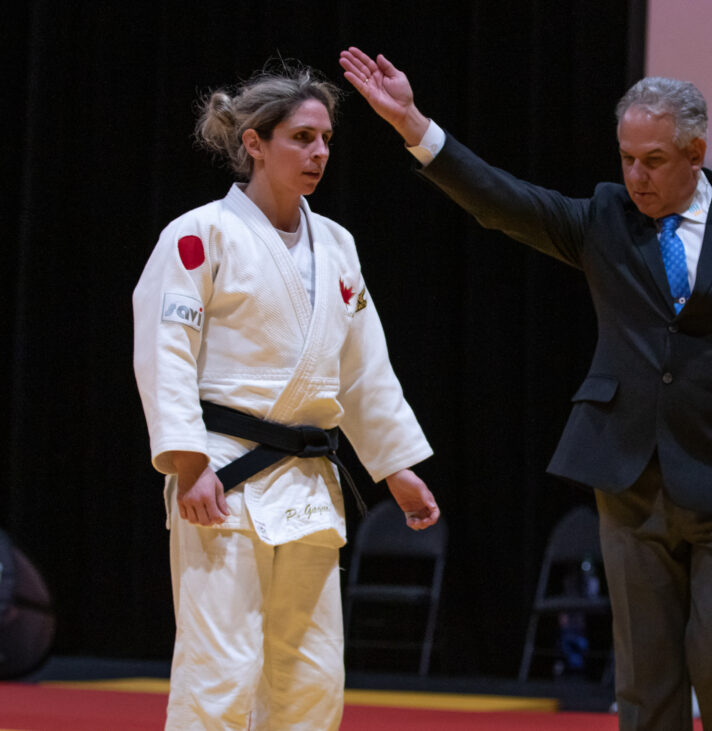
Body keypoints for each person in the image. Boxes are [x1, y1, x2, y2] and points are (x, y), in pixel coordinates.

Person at [339, 47, 712, 731]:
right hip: (630, 476)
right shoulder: (607, 216)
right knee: (644, 671)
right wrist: (414, 126)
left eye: (654, 160)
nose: (636, 175)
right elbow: (504, 203)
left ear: (696, 152)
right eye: (627, 158)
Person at [132, 61, 439, 730]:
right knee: (221, 669)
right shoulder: (199, 235)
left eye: (325, 139)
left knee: (312, 674)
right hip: (223, 474)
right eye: (302, 137)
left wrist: (397, 467)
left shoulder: (338, 245)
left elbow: (362, 368)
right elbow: (165, 352)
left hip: (308, 483)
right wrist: (188, 462)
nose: (319, 152)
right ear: (255, 143)